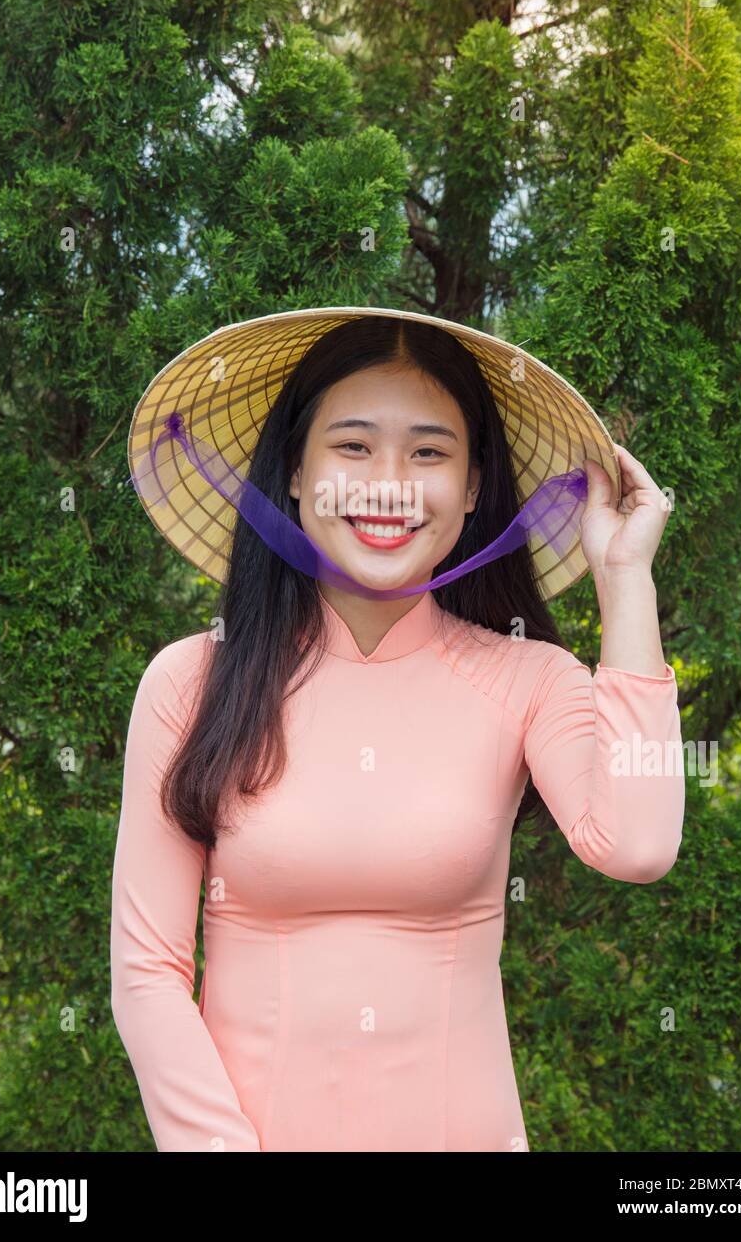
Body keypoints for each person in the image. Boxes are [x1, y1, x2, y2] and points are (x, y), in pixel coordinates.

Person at [110, 307, 685, 1151]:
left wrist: (625, 580)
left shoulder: (528, 679)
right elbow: (148, 973)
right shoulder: (192, 683)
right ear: (297, 474)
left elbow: (637, 845)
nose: (389, 483)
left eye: (428, 452)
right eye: (352, 446)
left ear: (475, 487)